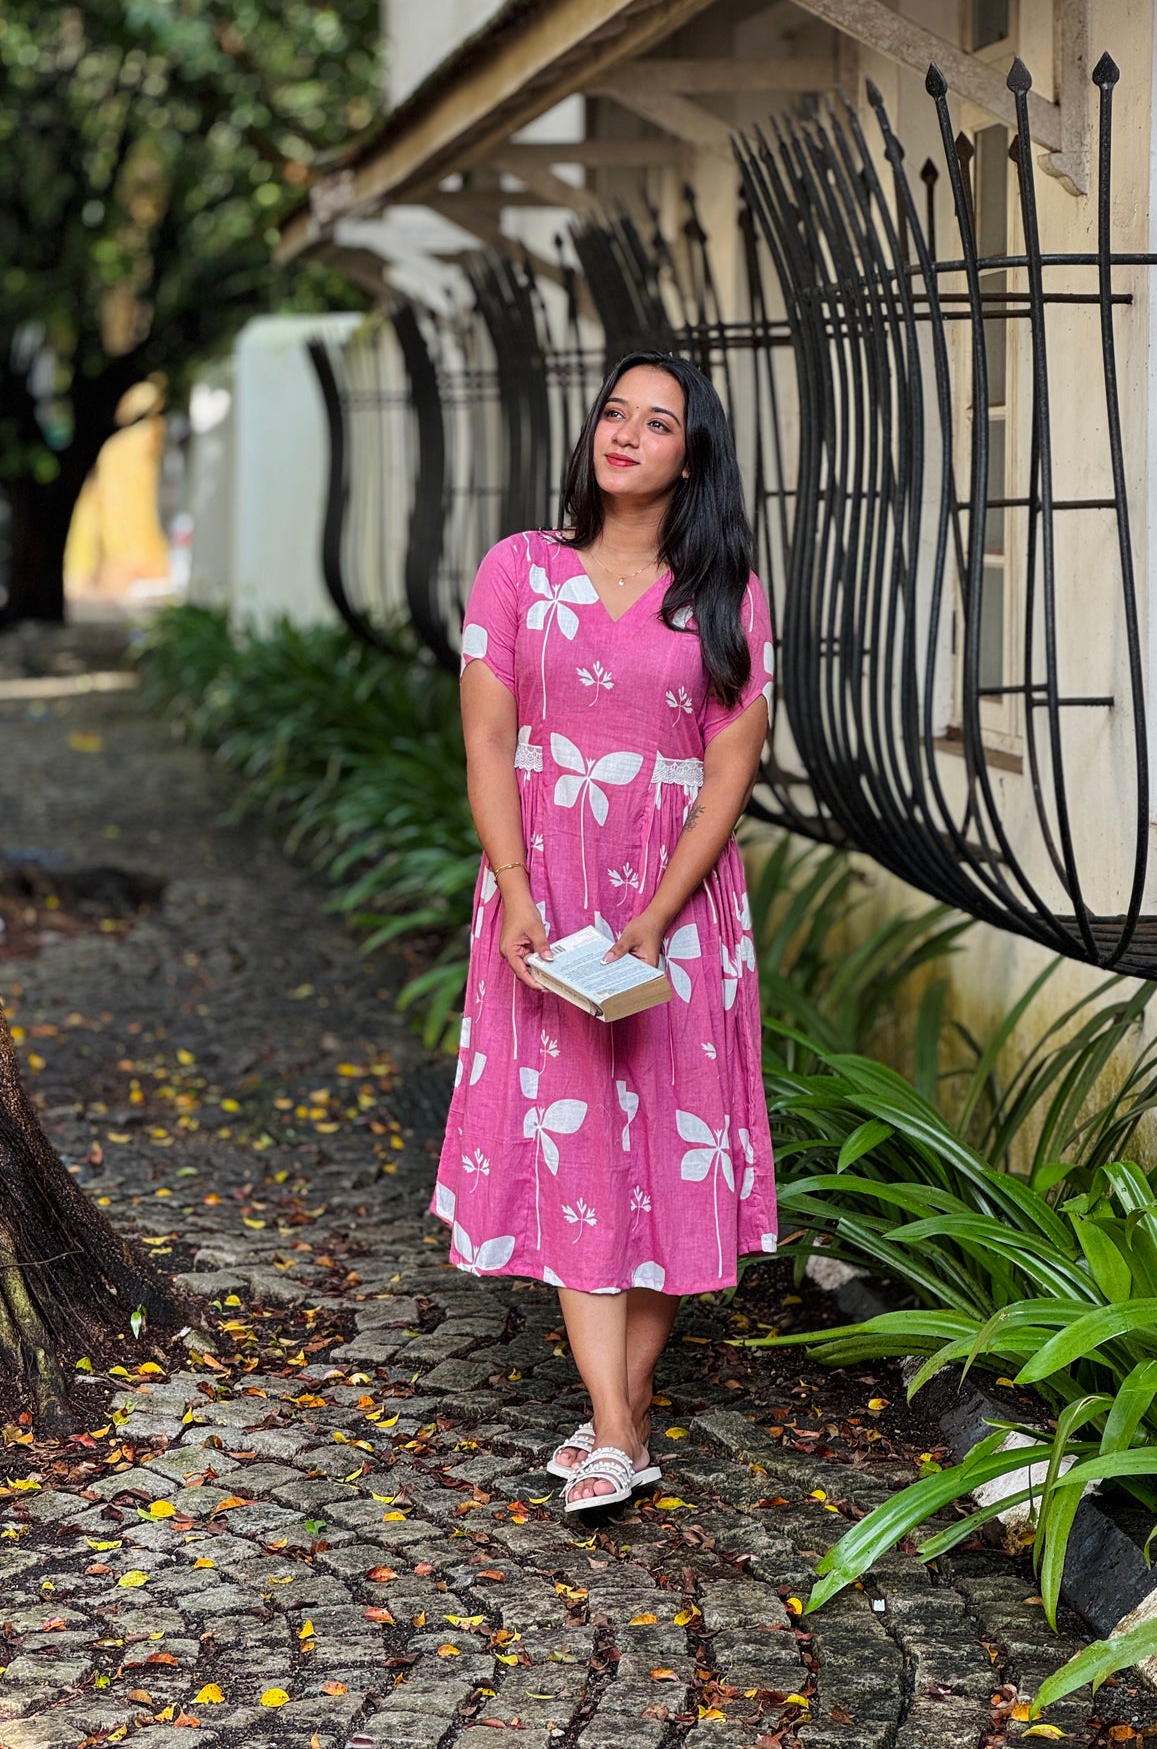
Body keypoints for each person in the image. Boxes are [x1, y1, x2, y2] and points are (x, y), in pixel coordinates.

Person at [430, 351, 777, 1511]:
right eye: (614, 415)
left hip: (675, 909)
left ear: (693, 454)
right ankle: (619, 1425)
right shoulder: (519, 571)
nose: (625, 434)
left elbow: (731, 763)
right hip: (548, 901)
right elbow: (486, 739)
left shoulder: (724, 589)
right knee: (578, 1152)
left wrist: (659, 916)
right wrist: (516, 888)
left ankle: (611, 1426)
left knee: (674, 1147)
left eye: (658, 422)